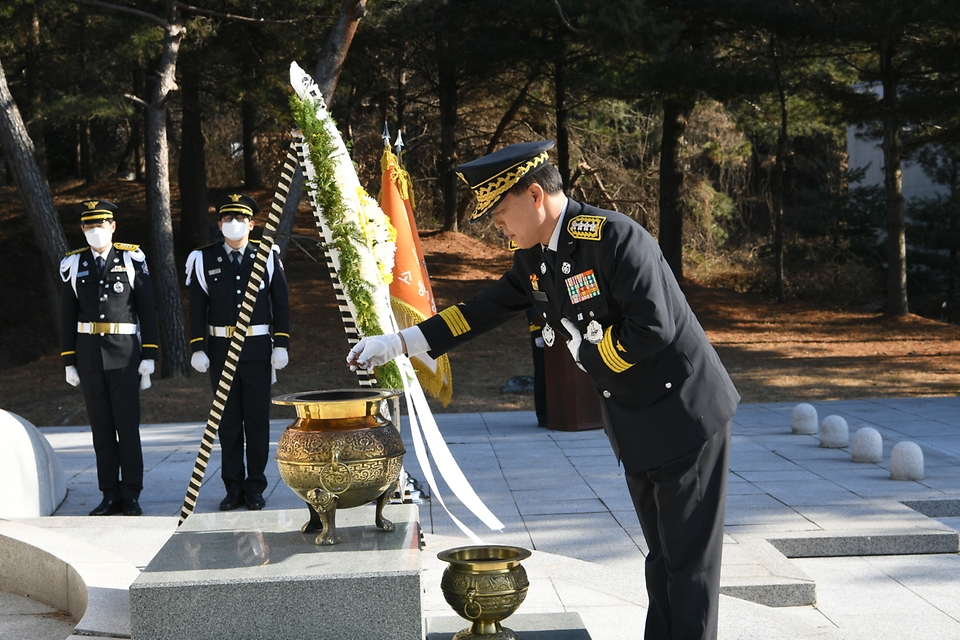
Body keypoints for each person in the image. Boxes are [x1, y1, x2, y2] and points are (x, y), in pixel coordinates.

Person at [346, 140, 740, 640]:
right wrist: (401, 341)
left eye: (500, 211)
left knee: (690, 568)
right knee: (663, 560)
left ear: (535, 196)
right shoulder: (537, 257)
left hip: (686, 416)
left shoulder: (615, 238)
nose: (496, 225)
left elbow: (654, 328)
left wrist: (590, 355)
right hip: (637, 421)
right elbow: (481, 309)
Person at [186, 193, 290, 512]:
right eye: (227, 220)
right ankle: (233, 488)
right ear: (219, 225)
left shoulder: (267, 256)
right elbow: (196, 309)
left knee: (256, 422)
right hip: (220, 352)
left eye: (240, 219)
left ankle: (255, 487)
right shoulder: (203, 259)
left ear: (252, 224)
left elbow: (281, 303)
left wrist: (282, 343)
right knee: (228, 423)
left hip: (257, 351)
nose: (233, 225)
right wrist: (197, 348)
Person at [60, 199, 158, 517]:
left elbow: (148, 309)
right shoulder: (74, 264)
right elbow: (66, 316)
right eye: (89, 226)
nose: (95, 231)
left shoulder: (131, 258)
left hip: (126, 355)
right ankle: (109, 494)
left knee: (127, 429)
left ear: (113, 227)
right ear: (82, 229)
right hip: (89, 358)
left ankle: (131, 494)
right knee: (101, 430)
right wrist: (68, 361)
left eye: (101, 225)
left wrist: (150, 355)